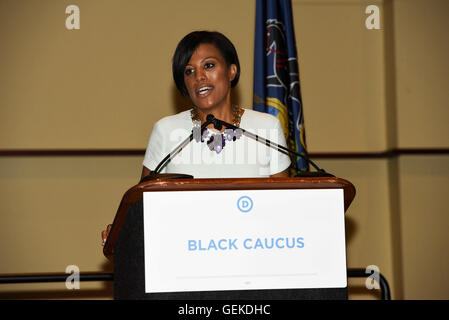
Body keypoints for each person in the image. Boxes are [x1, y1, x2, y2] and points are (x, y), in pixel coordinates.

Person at [102, 30, 290, 246]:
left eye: (208, 66)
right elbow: (142, 204)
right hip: (185, 251)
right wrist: (121, 230)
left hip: (253, 248)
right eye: (189, 71)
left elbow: (281, 207)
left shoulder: (266, 127)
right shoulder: (167, 130)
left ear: (231, 70)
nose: (198, 77)